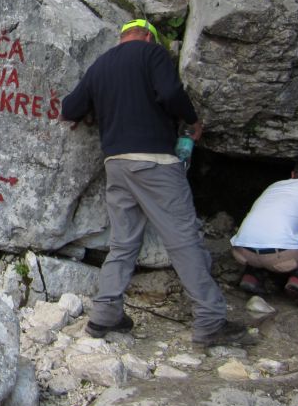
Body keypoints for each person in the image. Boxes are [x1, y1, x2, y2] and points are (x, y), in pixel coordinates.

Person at [62, 19, 254, 347]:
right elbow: (169, 92)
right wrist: (192, 122)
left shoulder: (101, 65)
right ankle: (210, 319)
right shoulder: (152, 54)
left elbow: (69, 108)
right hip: (155, 161)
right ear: (148, 35)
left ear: (122, 36)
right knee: (183, 239)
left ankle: (106, 312)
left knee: (123, 242)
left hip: (117, 165)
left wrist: (96, 112)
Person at [231, 160, 298, 306]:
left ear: (293, 175)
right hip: (280, 257)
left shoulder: (275, 185)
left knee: (268, 237)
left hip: (242, 252)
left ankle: (252, 276)